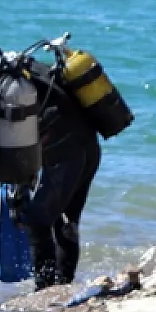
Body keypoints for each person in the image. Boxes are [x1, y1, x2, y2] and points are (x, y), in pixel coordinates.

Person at [24, 76, 101, 289]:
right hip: (90, 148)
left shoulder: (12, 93)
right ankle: (63, 285)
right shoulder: (42, 81)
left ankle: (45, 288)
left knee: (37, 220)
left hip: (69, 153)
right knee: (67, 220)